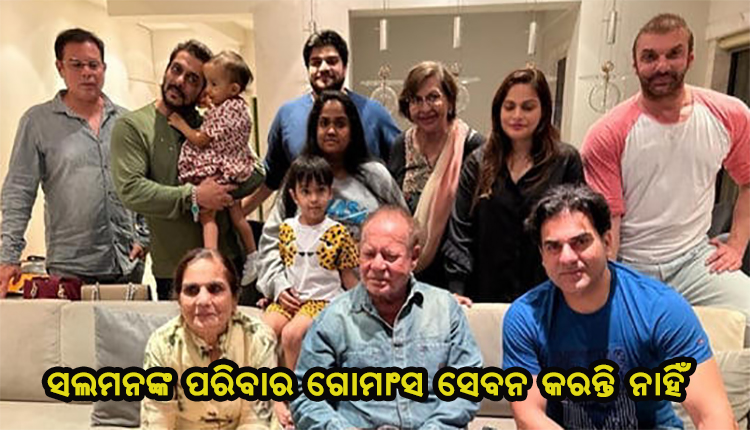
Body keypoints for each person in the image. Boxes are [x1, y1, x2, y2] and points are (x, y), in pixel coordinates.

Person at [503, 184, 737, 429]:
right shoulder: (525, 318)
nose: (567, 257)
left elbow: (714, 417)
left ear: (607, 242)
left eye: (580, 242)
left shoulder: (660, 309)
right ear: (541, 255)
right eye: (553, 247)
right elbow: (528, 415)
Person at [581, 13, 750, 343]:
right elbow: (607, 222)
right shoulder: (607, 133)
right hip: (631, 264)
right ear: (635, 64)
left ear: (690, 57)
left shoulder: (730, 115)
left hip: (696, 262)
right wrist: (606, 284)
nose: (661, 66)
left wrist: (737, 245)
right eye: (649, 57)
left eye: (673, 54)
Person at [291, 206, 483, 429]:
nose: (377, 266)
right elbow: (305, 396)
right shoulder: (334, 318)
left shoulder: (444, 309)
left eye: (390, 256)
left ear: (414, 257)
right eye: (369, 254)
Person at [111, 40, 265, 300]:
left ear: (205, 89)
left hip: (229, 264)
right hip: (176, 270)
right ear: (166, 70)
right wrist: (194, 195)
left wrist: (222, 187)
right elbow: (131, 190)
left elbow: (256, 170)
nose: (180, 81)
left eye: (193, 79)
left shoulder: (211, 122)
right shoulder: (133, 127)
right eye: (176, 69)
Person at [0, 28, 147, 298]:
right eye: (76, 65)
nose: (87, 73)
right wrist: (8, 257)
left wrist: (146, 236)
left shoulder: (126, 122)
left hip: (126, 264)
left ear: (103, 68)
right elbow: (18, 191)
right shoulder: (38, 122)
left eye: (93, 65)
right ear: (60, 68)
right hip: (70, 269)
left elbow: (143, 183)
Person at [443, 68, 583, 303]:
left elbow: (577, 228)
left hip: (547, 294)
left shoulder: (565, 161)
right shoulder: (477, 163)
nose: (517, 115)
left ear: (544, 110)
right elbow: (460, 231)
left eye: (528, 107)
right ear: (498, 110)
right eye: (509, 107)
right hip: (484, 294)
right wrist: (457, 287)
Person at [257, 90, 406, 306]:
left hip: (370, 300)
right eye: (324, 123)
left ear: (353, 129)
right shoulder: (298, 177)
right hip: (306, 302)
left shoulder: (376, 176)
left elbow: (405, 233)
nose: (331, 131)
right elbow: (271, 242)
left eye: (340, 124)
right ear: (314, 129)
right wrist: (278, 285)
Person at [241, 30, 400, 217]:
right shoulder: (287, 115)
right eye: (315, 62)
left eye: (331, 61)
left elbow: (399, 169)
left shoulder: (374, 113)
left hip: (363, 225)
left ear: (345, 67)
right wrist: (236, 217)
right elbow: (272, 177)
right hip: (305, 229)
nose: (323, 68)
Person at [262, 155, 359, 427]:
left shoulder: (337, 232)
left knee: (292, 335)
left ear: (330, 192)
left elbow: (347, 276)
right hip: (292, 298)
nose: (314, 199)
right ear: (294, 195)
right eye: (306, 191)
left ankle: (296, 397)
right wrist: (273, 295)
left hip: (322, 300)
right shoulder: (286, 229)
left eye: (320, 190)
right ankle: (273, 395)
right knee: (263, 331)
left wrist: (362, 302)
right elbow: (286, 268)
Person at [141, 248, 276, 429]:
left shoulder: (259, 339)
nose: (203, 300)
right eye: (192, 290)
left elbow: (256, 421)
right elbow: (157, 422)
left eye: (215, 289)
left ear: (234, 298)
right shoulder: (162, 345)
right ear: (179, 299)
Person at [388, 61, 485, 291]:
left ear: (450, 101)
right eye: (416, 100)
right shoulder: (401, 146)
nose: (425, 108)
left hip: (460, 275)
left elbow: (477, 219)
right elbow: (393, 208)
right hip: (409, 272)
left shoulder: (472, 146)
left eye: (433, 97)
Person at [167, 50, 260, 285]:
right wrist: (211, 104)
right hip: (235, 166)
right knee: (238, 215)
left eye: (213, 84)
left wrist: (181, 124)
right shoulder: (239, 108)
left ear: (233, 89)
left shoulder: (222, 113)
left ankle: (211, 261)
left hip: (217, 169)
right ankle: (253, 255)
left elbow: (201, 140)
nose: (208, 90)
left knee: (208, 216)